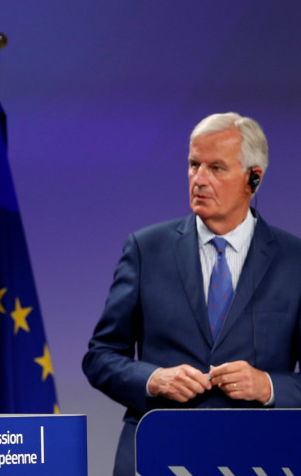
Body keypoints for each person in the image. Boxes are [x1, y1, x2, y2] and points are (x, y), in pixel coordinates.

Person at [82, 112, 301, 476]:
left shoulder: (294, 261)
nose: (199, 179)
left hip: (260, 456)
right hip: (157, 455)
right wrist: (153, 379)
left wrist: (267, 385)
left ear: (254, 179)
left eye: (216, 168)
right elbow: (101, 357)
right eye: (193, 164)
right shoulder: (145, 249)